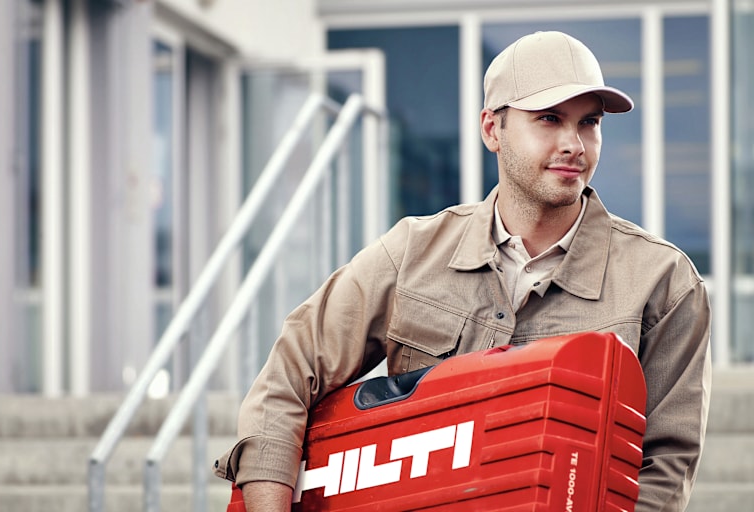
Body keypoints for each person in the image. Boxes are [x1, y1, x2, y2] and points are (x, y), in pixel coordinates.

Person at [214, 31, 712, 511]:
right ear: (492, 129)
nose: (574, 144)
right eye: (549, 119)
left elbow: (665, 470)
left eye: (589, 122)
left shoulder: (663, 283)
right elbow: (287, 375)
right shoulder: (412, 253)